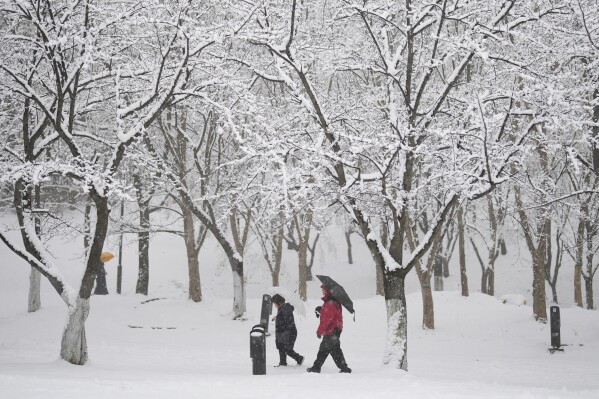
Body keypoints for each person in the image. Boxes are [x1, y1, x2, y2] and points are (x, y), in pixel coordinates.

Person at [307, 285, 351, 373]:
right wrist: (321, 309)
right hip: (335, 329)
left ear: (328, 291)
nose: (322, 292)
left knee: (325, 349)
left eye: (324, 290)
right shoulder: (331, 301)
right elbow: (330, 314)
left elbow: (327, 320)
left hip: (332, 330)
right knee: (333, 350)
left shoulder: (330, 302)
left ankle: (317, 367)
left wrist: (319, 331)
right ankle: (343, 367)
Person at [271, 294, 304, 367]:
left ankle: (299, 358)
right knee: (281, 347)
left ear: (279, 303)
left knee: (287, 349)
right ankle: (282, 363)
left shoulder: (286, 309)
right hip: (283, 333)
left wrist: (277, 318)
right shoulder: (282, 308)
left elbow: (284, 319)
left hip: (289, 333)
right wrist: (277, 317)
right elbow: (282, 317)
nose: (274, 305)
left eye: (274, 303)